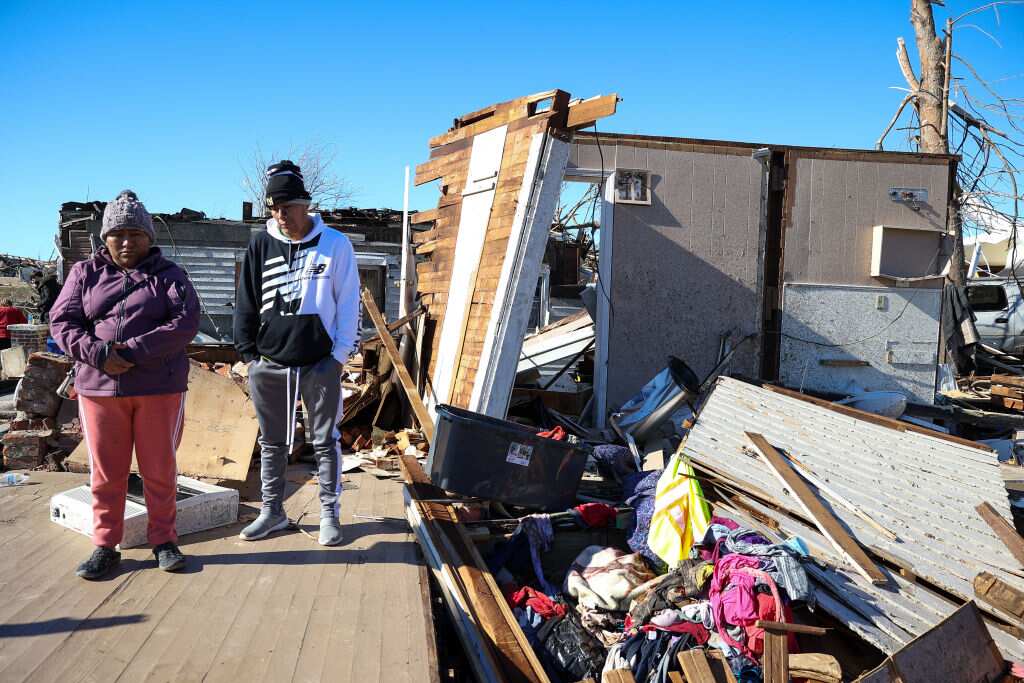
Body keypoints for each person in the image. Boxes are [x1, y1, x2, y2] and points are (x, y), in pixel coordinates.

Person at [50, 190, 200, 580]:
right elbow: (61, 322)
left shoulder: (170, 276)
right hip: (100, 389)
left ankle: (164, 541)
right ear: (106, 238)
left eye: (136, 233)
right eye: (118, 234)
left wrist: (132, 351)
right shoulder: (84, 274)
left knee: (159, 469)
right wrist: (99, 353)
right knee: (106, 471)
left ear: (150, 237)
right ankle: (105, 546)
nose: (127, 242)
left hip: (157, 388)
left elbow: (184, 323)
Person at [233, 161, 360, 546]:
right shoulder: (260, 243)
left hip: (320, 362)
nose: (281, 215)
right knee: (271, 441)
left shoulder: (335, 244)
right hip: (269, 362)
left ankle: (328, 514)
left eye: (287, 206)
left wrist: (339, 356)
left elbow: (350, 302)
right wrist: (248, 355)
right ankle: (272, 512)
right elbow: (246, 300)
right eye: (273, 208)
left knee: (325, 440)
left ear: (306, 204)